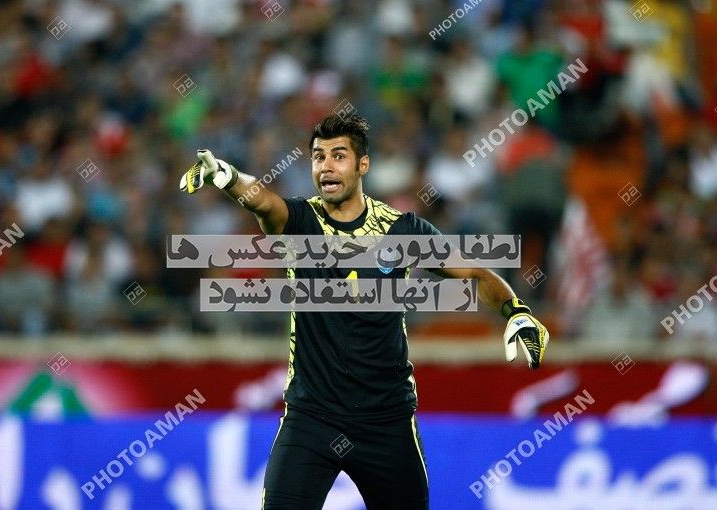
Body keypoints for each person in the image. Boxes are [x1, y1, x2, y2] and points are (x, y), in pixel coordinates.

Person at [179, 114, 549, 509]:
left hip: (387, 422)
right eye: (318, 157)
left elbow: (474, 272)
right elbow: (263, 201)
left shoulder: (402, 230)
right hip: (312, 418)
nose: (326, 166)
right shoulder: (300, 223)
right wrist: (226, 176)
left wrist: (516, 311)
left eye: (339, 156)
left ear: (363, 165)